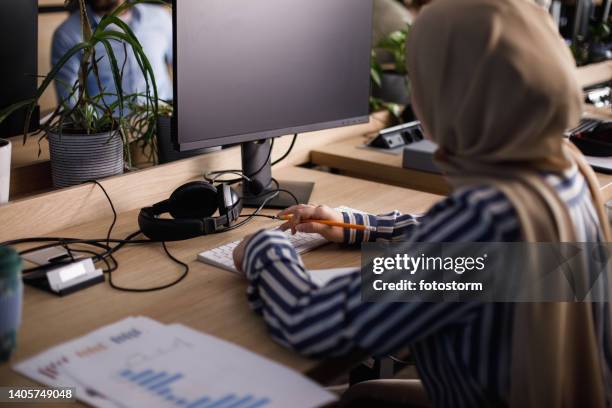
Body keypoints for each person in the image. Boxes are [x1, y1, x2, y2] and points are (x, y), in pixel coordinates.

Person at [233, 0, 612, 406]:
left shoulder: (483, 224)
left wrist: (263, 248)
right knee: (363, 394)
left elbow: (309, 321)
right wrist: (356, 224)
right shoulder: (563, 172)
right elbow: (490, 263)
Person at [51, 0, 173, 105]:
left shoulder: (160, 17)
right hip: (109, 128)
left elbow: (184, 72)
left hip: (164, 120)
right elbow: (69, 102)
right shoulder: (68, 33)